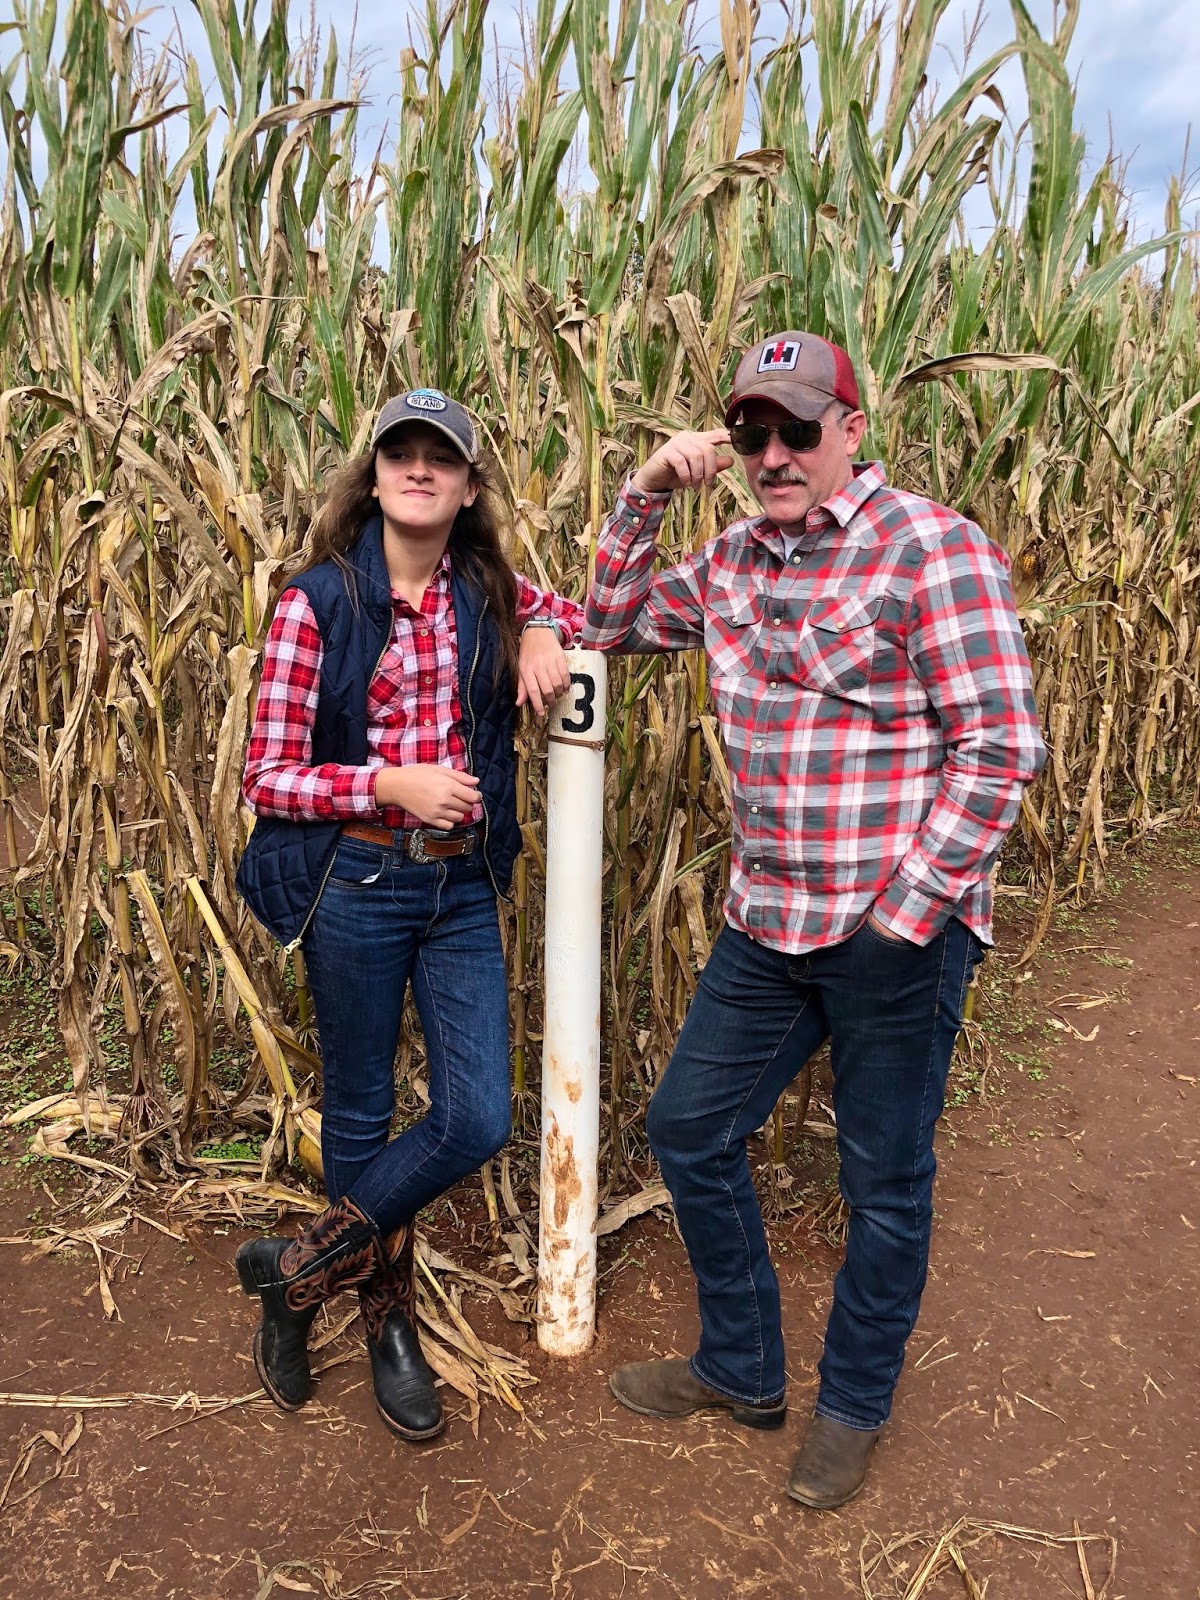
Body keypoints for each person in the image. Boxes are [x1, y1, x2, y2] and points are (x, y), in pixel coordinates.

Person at [584, 331, 1046, 1507]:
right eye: (752, 431)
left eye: (799, 427)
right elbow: (614, 618)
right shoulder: (731, 558)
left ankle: (851, 1406)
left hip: (892, 926)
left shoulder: (932, 550)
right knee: (689, 1128)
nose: (774, 453)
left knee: (882, 1180)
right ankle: (742, 1365)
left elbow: (1000, 744)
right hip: (768, 918)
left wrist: (906, 915)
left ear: (852, 428)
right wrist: (644, 492)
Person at [234, 389, 583, 1441]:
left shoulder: (489, 588)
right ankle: (387, 1322)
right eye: (402, 452)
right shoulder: (319, 604)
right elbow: (268, 776)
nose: (420, 469)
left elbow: (583, 618)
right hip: (362, 883)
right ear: (375, 474)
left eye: (443, 458)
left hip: (461, 885)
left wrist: (541, 633)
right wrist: (388, 784)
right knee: (357, 1109)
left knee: (477, 1116)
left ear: (470, 487)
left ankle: (296, 1274)